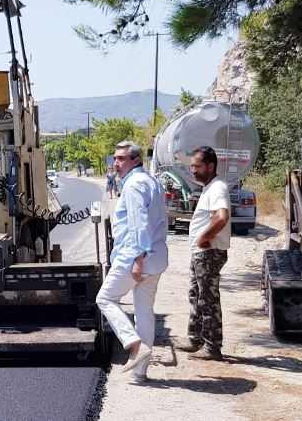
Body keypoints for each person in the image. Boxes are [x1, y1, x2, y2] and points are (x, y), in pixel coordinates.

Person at [96, 141, 168, 383]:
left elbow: (139, 223)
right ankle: (140, 372)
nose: (115, 163)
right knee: (144, 313)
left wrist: (138, 259)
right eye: (114, 158)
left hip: (135, 257)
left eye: (121, 159)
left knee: (105, 298)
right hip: (155, 258)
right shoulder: (152, 182)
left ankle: (133, 344)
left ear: (136, 160)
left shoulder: (134, 185)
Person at [176, 146, 230, 361]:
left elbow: (221, 217)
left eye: (197, 166)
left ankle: (212, 347)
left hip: (209, 253)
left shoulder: (217, 187)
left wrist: (204, 237)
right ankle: (196, 339)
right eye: (191, 165)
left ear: (210, 166)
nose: (193, 170)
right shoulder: (209, 187)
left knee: (208, 299)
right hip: (201, 254)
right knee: (197, 295)